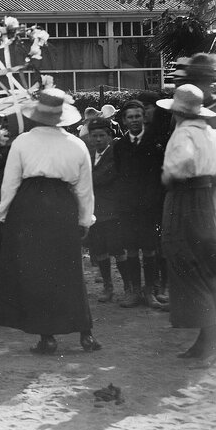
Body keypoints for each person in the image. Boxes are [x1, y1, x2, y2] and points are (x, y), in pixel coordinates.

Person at [0, 88, 101, 354]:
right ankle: (85, 334)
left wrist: (3, 210)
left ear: (36, 116)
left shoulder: (23, 142)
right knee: (69, 271)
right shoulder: (77, 145)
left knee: (36, 272)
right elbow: (85, 188)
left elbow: (11, 181)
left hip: (30, 207)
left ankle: (47, 337)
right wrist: (85, 219)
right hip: (63, 206)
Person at [157, 84, 216, 366]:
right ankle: (206, 339)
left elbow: (181, 162)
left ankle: (211, 342)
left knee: (184, 259)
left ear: (177, 112)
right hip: (206, 200)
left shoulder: (182, 133)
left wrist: (171, 176)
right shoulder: (215, 135)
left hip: (184, 198)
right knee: (204, 264)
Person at [112, 99, 166, 309]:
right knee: (132, 249)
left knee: (150, 249)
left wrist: (152, 202)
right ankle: (134, 291)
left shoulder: (155, 142)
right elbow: (119, 174)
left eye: (138, 116)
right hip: (128, 207)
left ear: (144, 117)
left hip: (150, 207)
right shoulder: (120, 145)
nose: (134, 120)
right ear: (124, 121)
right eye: (130, 117)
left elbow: (158, 175)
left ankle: (151, 291)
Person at [86, 117, 128, 303]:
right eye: (94, 136)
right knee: (100, 249)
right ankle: (107, 286)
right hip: (94, 209)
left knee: (117, 249)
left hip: (113, 210)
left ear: (110, 136)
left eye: (102, 135)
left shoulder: (116, 154)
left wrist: (85, 179)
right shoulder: (88, 154)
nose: (98, 140)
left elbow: (103, 177)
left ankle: (128, 287)